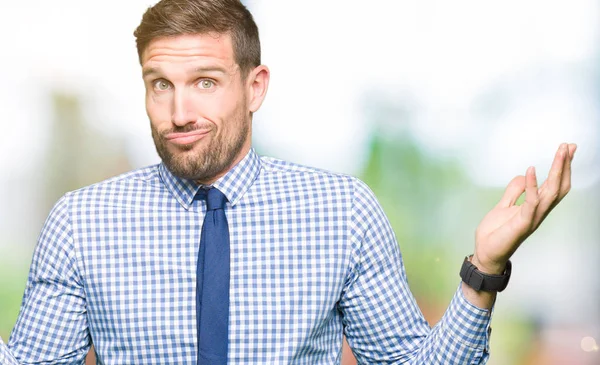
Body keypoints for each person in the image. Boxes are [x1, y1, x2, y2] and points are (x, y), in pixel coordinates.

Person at [0, 0, 576, 364]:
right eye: (160, 84)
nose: (178, 112)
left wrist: (484, 268)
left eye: (205, 82)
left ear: (255, 88)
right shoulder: (81, 222)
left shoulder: (342, 211)